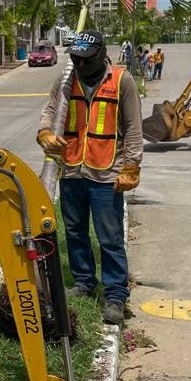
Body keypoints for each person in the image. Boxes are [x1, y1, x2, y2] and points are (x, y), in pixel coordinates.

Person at [35, 30, 143, 325]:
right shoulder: (66, 81)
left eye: (85, 60)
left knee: (109, 238)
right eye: (75, 59)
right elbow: (50, 110)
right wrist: (44, 132)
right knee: (75, 231)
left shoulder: (122, 81)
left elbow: (133, 128)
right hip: (71, 170)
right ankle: (84, 282)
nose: (79, 66)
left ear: (99, 55)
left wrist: (131, 166)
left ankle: (115, 295)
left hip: (106, 173)